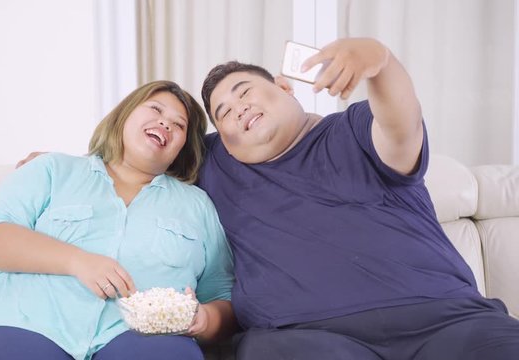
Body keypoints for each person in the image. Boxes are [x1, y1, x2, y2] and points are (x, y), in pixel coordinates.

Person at [197, 38, 519, 359]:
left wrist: (381, 62)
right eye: (223, 113)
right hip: (304, 340)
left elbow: (401, 126)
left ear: (284, 87)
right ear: (224, 140)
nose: (238, 108)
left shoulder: (354, 128)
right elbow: (154, 137)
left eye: (244, 92)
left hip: (445, 321)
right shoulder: (216, 165)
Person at [0, 80, 236, 360]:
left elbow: (223, 295)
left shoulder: (197, 205)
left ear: (183, 147)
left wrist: (205, 319)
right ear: (124, 115)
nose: (165, 123)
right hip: (28, 325)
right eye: (155, 109)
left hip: (145, 339)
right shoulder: (52, 169)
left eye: (179, 125)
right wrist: (76, 261)